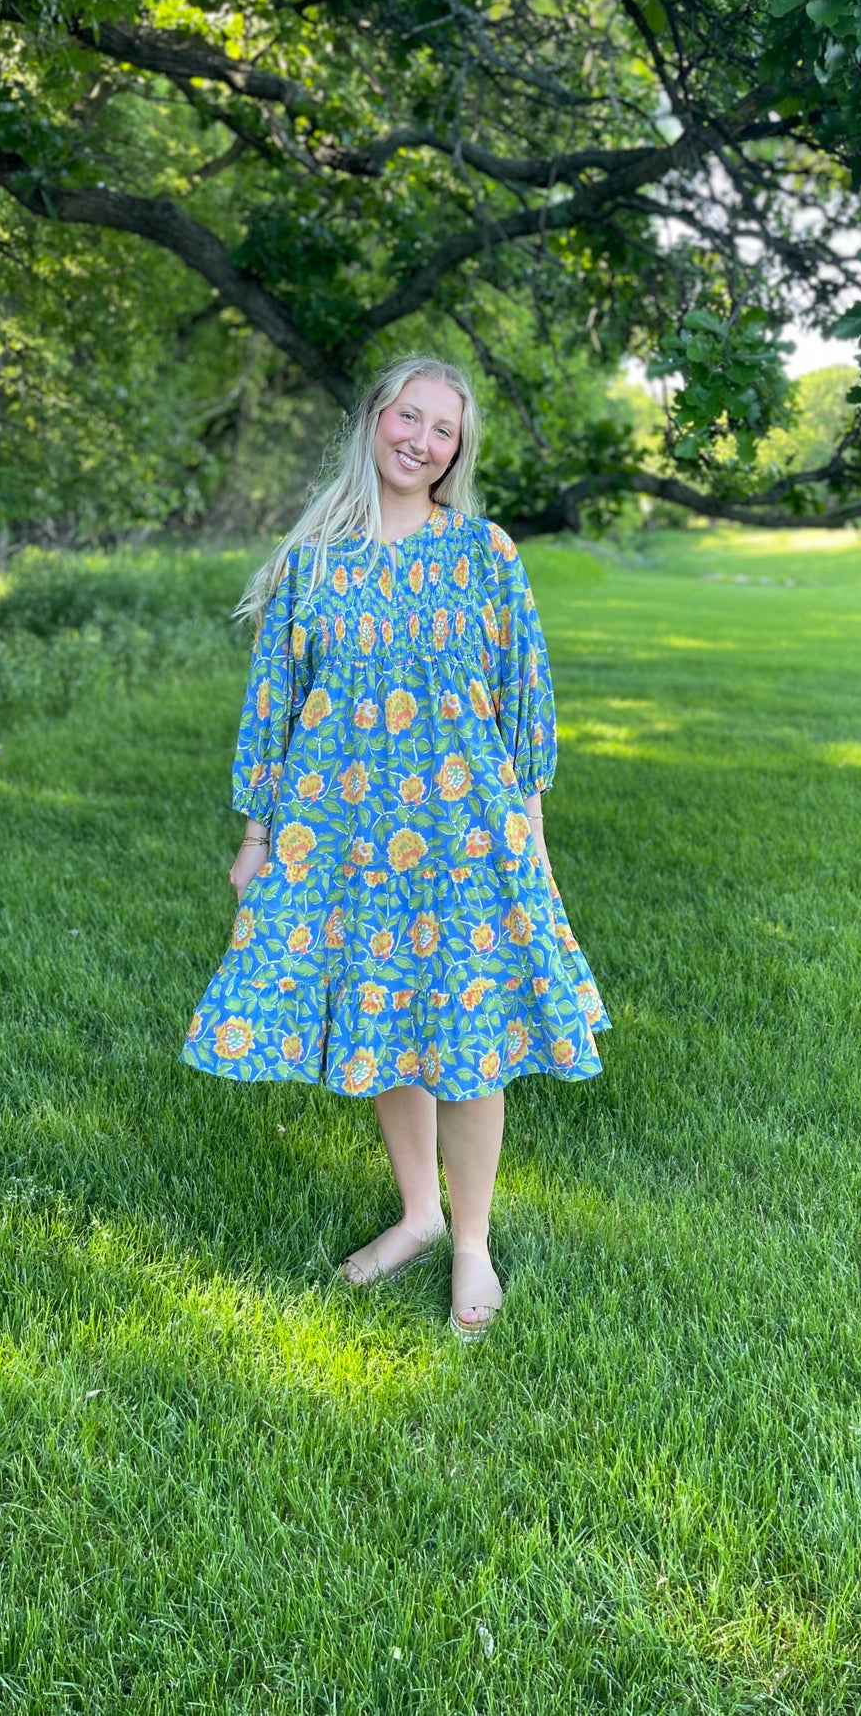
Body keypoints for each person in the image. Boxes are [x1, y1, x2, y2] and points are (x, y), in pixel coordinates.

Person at [182, 355, 609, 1337]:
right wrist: (256, 834)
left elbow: (522, 708)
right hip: (349, 836)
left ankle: (472, 1243)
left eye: (441, 430)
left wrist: (530, 850)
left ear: (457, 450)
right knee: (384, 1020)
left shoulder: (483, 553)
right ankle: (418, 1214)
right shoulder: (312, 564)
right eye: (406, 417)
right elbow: (273, 707)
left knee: (469, 1038)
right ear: (372, 417)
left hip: (467, 836)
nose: (419, 440)